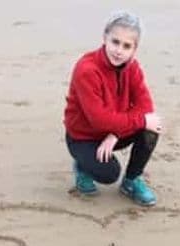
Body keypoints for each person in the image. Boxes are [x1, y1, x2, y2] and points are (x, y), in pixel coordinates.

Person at [63, 11, 163, 206]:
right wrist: (137, 120)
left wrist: (115, 134)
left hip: (113, 130)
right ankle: (83, 166)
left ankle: (131, 181)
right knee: (109, 173)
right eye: (115, 42)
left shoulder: (132, 68)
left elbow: (146, 107)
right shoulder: (87, 69)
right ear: (105, 38)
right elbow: (99, 120)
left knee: (152, 127)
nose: (119, 51)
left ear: (134, 49)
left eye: (127, 46)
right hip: (83, 136)